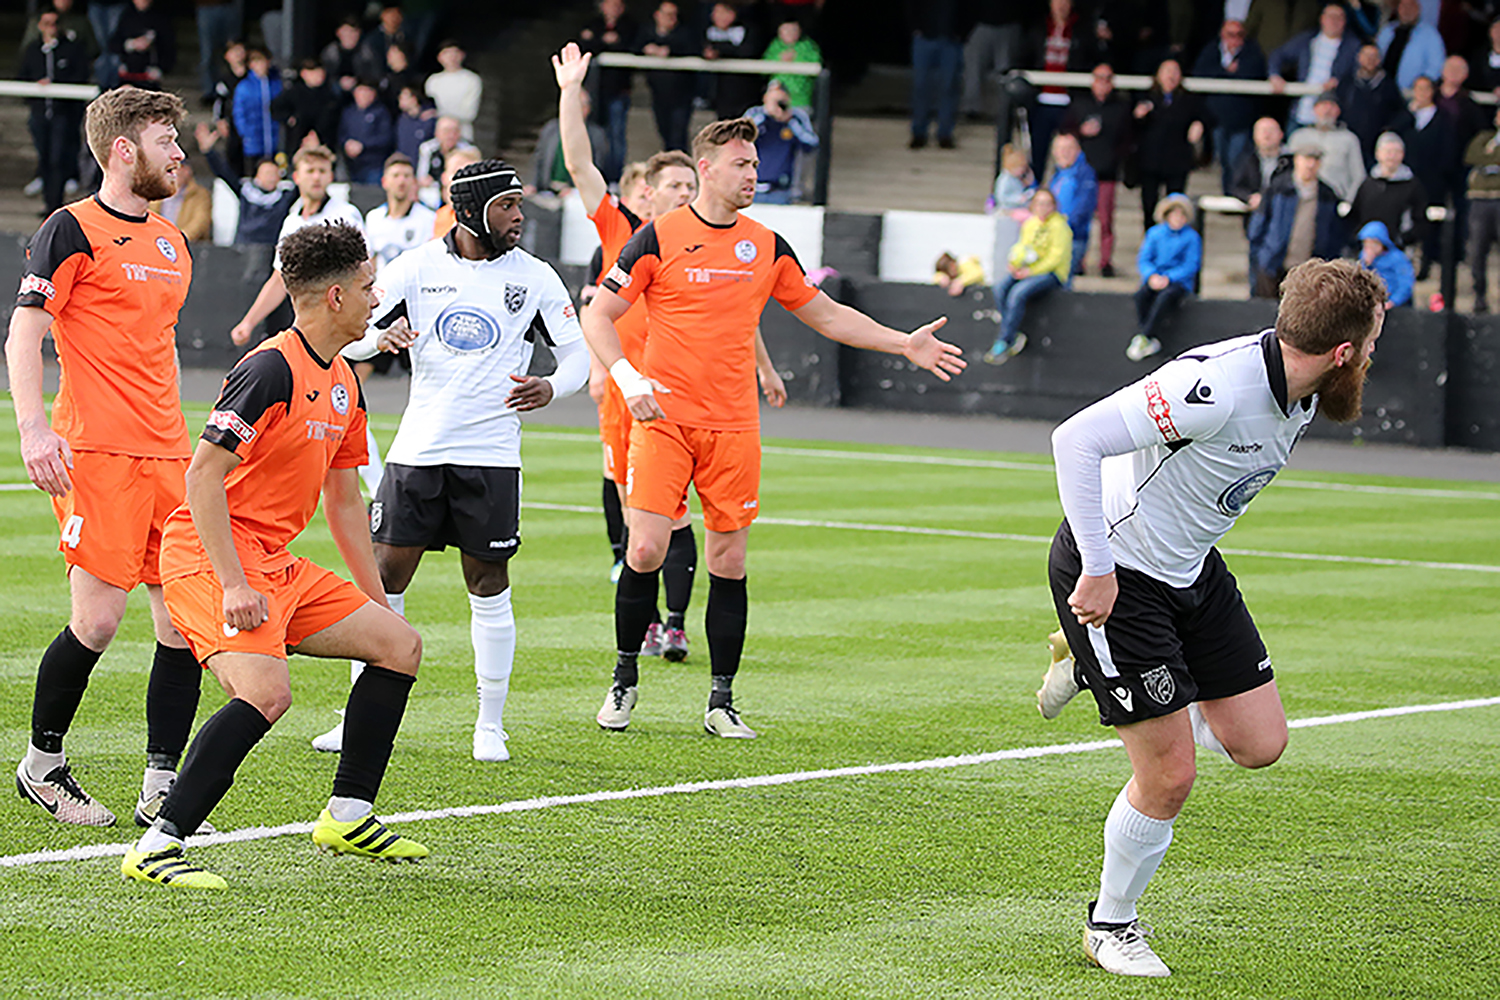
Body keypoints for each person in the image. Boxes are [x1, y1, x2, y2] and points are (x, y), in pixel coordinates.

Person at [1038, 257, 1386, 977]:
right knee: (1170, 777)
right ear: (1343, 350)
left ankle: (1085, 661)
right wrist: (1098, 571)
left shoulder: (1309, 389)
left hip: (1192, 572)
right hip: (1117, 573)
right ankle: (1111, 925)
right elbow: (1074, 440)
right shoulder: (1213, 388)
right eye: (1374, 341)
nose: (1376, 355)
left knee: (1260, 743)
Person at [583, 116, 965, 737]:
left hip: (734, 427)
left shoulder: (766, 244)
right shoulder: (655, 237)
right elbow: (601, 316)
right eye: (741, 164)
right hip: (665, 420)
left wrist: (903, 344)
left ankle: (721, 702)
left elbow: (829, 315)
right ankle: (624, 680)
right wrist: (630, 379)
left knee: (727, 561)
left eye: (756, 165)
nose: (753, 174)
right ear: (707, 169)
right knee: (647, 548)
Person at [122, 221, 428, 889]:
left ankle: (347, 815)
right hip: (209, 554)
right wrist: (233, 583)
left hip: (273, 558)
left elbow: (344, 500)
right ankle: (157, 843)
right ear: (337, 296)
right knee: (267, 694)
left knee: (400, 646)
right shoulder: (269, 367)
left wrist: (378, 602)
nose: (378, 301)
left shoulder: (345, 380)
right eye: (371, 288)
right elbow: (202, 477)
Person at [321, 160, 590, 764]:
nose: (519, 216)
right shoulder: (417, 266)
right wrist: (377, 339)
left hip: (492, 458)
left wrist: (553, 387)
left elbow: (578, 357)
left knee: (488, 583)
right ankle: (359, 716)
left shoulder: (537, 277)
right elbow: (349, 332)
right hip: (418, 452)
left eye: (520, 204)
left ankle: (489, 724)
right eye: (507, 206)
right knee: (384, 580)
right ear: (471, 210)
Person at [8, 86, 206, 830]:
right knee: (97, 621)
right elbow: (24, 334)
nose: (179, 153)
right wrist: (35, 428)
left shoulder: (173, 241)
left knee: (181, 625)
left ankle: (162, 786)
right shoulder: (71, 229)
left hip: (169, 455)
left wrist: (195, 445)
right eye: (165, 140)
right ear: (124, 150)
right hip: (95, 450)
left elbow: (164, 346)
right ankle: (43, 766)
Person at [556, 42, 758, 661]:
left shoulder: (720, 240)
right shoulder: (627, 233)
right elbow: (581, 165)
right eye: (667, 185)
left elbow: (742, 311)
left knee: (677, 521)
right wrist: (571, 92)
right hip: (628, 394)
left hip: (689, 398)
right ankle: (647, 616)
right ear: (648, 192)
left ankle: (673, 620)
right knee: (634, 510)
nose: (675, 194)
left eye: (682, 185)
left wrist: (764, 367)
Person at [230, 145, 366, 347]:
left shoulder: (346, 214)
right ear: (297, 177)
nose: (316, 177)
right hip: (305, 327)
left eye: (322, 171)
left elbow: (364, 267)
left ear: (330, 176)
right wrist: (248, 323)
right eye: (310, 171)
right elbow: (280, 280)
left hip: (340, 325)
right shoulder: (292, 222)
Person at [984, 187, 1071, 365]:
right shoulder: (1030, 224)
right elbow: (1021, 247)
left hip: (1051, 274)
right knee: (1000, 288)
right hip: (1027, 270)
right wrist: (1014, 263)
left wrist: (1030, 272)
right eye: (1039, 203)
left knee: (1018, 293)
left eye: (1047, 204)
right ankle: (1011, 330)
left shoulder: (1060, 226)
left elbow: (1055, 258)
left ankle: (1005, 340)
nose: (1043, 207)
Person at [1248, 136, 1344, 298]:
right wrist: (1263, 255)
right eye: (1306, 159)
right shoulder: (1278, 188)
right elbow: (1258, 225)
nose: (1310, 165)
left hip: (1309, 270)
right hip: (1272, 264)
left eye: (1315, 160)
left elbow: (1334, 233)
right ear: (1296, 160)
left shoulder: (1327, 195)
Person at [1060, 64, 1131, 277]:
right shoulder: (1079, 105)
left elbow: (1127, 139)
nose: (1103, 83)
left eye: (1107, 79)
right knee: (1079, 218)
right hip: (1082, 173)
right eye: (1099, 78)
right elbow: (1064, 130)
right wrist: (1080, 131)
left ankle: (1105, 261)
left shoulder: (1120, 108)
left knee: (1106, 220)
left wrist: (1116, 159)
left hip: (1106, 172)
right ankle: (1078, 260)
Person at [21, 8, 90, 218]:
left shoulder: (71, 49)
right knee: (44, 156)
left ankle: (56, 204)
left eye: (54, 24)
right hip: (40, 113)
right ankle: (48, 202)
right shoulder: (32, 50)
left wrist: (56, 83)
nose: (50, 28)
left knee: (57, 158)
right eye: (46, 23)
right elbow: (22, 76)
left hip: (63, 113)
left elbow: (81, 75)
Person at [1131, 59, 1210, 229]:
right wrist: (1138, 116)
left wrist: (1199, 124)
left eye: (1175, 71)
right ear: (1158, 75)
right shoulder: (1145, 97)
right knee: (1149, 205)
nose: (1171, 76)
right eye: (1167, 71)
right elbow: (1130, 127)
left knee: (1175, 205)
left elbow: (1208, 117)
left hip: (1177, 161)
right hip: (1150, 161)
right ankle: (1151, 241)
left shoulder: (1189, 99)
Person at [1192, 20, 1267, 196]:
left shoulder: (1253, 52)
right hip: (1217, 120)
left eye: (1239, 35)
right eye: (1230, 34)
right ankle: (1227, 195)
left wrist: (1228, 73)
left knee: (1237, 159)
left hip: (1241, 120)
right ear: (1222, 35)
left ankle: (1237, 195)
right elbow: (1200, 72)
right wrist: (1226, 72)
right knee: (1223, 160)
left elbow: (1255, 74)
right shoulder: (1211, 50)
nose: (1235, 39)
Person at [1127, 193, 1201, 362]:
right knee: (1141, 296)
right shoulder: (1155, 233)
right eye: (1174, 214)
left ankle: (1145, 336)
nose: (1178, 219)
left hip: (1177, 281)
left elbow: (1191, 265)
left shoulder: (1191, 237)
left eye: (1182, 215)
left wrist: (1169, 278)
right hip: (1156, 277)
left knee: (1166, 297)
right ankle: (1148, 335)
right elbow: (1144, 258)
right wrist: (1151, 275)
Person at [1266, 3, 1360, 130]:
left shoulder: (1353, 47)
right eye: (1330, 17)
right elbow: (1278, 55)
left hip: (1331, 117)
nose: (1334, 21)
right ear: (1322, 19)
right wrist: (1275, 75)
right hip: (1301, 114)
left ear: (1345, 22)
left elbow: (1359, 75)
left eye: (1339, 17)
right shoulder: (1307, 40)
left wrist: (1339, 81)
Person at [579, 0, 639, 183]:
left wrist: (596, 39)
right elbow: (584, 46)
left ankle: (614, 178)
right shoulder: (593, 23)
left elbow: (632, 48)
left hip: (619, 90)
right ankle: (595, 174)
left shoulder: (630, 26)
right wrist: (603, 40)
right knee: (595, 134)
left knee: (616, 135)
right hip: (595, 91)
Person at [907, 0, 970, 150]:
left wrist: (961, 32)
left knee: (949, 87)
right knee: (921, 86)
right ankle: (919, 132)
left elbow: (970, 8)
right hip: (925, 38)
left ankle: (944, 134)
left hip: (950, 40)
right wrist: (915, 27)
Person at [1349, 132, 1428, 250]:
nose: (1391, 156)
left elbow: (1420, 218)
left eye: (1396, 152)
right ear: (1378, 154)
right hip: (1368, 250)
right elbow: (1356, 214)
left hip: (1399, 249)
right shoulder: (1368, 184)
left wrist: (1404, 239)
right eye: (1387, 151)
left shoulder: (1412, 185)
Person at [744, 79, 819, 203]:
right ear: (765, 98)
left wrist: (789, 122)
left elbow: (812, 143)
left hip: (781, 188)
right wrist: (766, 115)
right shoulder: (755, 114)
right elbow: (741, 137)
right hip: (753, 187)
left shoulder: (796, 117)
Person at [639, 1, 698, 153]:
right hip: (658, 93)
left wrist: (668, 50)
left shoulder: (685, 33)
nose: (670, 18)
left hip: (681, 94)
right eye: (666, 14)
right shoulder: (647, 32)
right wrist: (648, 49)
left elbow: (691, 48)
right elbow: (633, 47)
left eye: (673, 15)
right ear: (657, 15)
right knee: (664, 132)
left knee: (678, 137)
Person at [531, 87, 609, 196]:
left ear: (587, 109)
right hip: (547, 190)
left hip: (576, 194)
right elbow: (539, 160)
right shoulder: (550, 129)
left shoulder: (596, 136)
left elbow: (596, 169)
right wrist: (533, 185)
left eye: (581, 106)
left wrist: (574, 190)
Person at [1338, 42, 1404, 169]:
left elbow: (1399, 112)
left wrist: (1388, 130)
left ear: (1379, 60)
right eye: (1366, 55)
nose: (1370, 59)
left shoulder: (1388, 85)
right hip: (1350, 143)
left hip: (1376, 146)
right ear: (1359, 57)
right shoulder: (1347, 82)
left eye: (1374, 56)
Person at [1294, 94, 1366, 201]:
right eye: (1323, 105)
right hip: (1301, 199)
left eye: (1332, 105)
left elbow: (1359, 176)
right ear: (1314, 109)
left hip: (1337, 200)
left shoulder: (1349, 139)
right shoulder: (1299, 137)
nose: (1327, 110)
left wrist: (1348, 202)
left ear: (1338, 111)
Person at [1047, 131, 1097, 278]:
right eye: (1060, 149)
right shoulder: (1058, 173)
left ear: (1078, 150)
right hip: (1053, 235)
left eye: (1069, 148)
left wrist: (1064, 226)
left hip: (1073, 237)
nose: (1064, 153)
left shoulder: (1084, 173)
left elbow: (1085, 205)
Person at [1465, 107, 1500, 312]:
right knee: (1477, 250)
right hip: (1479, 200)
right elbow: (1472, 156)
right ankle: (1479, 295)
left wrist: (1489, 158)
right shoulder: (1484, 137)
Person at [271, 58, 343, 153]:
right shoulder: (294, 92)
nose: (318, 76)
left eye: (320, 73)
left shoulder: (331, 94)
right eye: (313, 73)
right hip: (298, 142)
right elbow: (276, 108)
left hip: (325, 143)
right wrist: (290, 119)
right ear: (303, 74)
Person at [702, 2, 759, 121]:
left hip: (744, 93)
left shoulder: (747, 30)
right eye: (716, 12)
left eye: (723, 12)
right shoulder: (707, 31)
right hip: (719, 95)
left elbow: (748, 51)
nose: (718, 16)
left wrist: (720, 51)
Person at [1378, 0, 1446, 89]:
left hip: (1411, 92)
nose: (1407, 10)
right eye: (1404, 7)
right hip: (1382, 89)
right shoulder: (1387, 30)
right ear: (1398, 9)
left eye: (1411, 7)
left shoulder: (1430, 34)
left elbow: (1436, 67)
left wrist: (1421, 87)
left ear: (1418, 10)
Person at [340, 80, 397, 185]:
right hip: (352, 165)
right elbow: (342, 134)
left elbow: (386, 138)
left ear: (373, 94)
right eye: (359, 92)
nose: (362, 96)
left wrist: (363, 146)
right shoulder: (348, 112)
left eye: (366, 92)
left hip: (374, 164)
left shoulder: (381, 112)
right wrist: (347, 144)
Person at [424, 40, 482, 141]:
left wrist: (438, 113)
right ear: (439, 58)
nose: (451, 57)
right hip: (437, 134)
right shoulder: (433, 80)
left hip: (462, 134)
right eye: (446, 53)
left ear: (462, 55)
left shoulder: (472, 79)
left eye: (455, 52)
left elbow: (469, 113)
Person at [233, 48, 281, 166]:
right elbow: (239, 112)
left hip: (274, 139)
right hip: (253, 141)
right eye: (255, 62)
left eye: (261, 61)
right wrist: (245, 133)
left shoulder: (276, 84)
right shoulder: (244, 87)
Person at [762, 15, 822, 110]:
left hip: (800, 100)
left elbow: (817, 65)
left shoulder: (808, 46)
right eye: (786, 30)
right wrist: (779, 59)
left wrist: (795, 59)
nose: (789, 33)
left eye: (793, 30)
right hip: (776, 99)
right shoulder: (774, 46)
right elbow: (764, 67)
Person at [111, 0, 174, 90]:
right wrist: (131, 44)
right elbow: (114, 43)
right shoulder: (126, 16)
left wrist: (160, 68)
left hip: (150, 74)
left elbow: (168, 46)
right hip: (127, 73)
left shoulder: (160, 18)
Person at [416, 116, 476, 206]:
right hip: (434, 190)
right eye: (446, 131)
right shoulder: (427, 149)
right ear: (437, 133)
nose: (451, 135)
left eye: (455, 131)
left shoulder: (468, 150)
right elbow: (421, 177)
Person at [148, 158, 212, 242]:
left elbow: (200, 222)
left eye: (178, 168)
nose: (175, 172)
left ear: (188, 171)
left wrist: (179, 239)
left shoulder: (199, 194)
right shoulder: (157, 191)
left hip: (187, 245)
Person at [1357, 220, 1414, 307]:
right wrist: (1366, 264)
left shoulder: (1397, 258)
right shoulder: (1363, 257)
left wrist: (1393, 301)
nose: (1370, 248)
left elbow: (1405, 283)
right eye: (1366, 244)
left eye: (1374, 244)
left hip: (1394, 304)